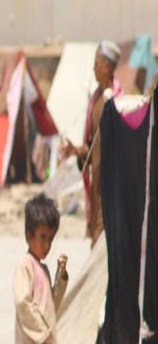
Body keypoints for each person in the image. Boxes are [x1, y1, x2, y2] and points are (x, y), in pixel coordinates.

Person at [13, 194, 68, 344]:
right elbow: (23, 304)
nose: (47, 245)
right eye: (42, 238)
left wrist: (60, 278)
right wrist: (42, 335)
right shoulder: (24, 267)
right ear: (29, 236)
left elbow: (50, 307)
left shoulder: (41, 269)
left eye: (50, 239)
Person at [61, 41, 122, 248]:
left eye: (96, 63)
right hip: (96, 190)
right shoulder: (95, 100)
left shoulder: (117, 103)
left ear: (106, 67)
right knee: (96, 242)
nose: (93, 68)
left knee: (104, 244)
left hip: (111, 189)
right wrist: (76, 150)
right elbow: (92, 147)